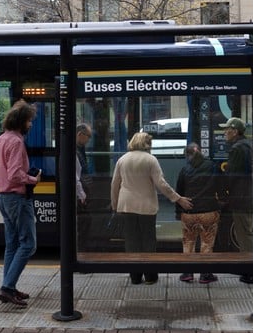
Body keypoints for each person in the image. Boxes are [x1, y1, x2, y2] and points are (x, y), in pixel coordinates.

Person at [110, 131, 193, 284]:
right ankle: (150, 276)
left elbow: (115, 184)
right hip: (146, 206)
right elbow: (161, 184)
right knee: (148, 241)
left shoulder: (122, 159)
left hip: (126, 205)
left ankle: (135, 277)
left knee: (131, 241)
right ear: (147, 144)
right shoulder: (150, 160)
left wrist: (115, 205)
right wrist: (177, 198)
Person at [0, 99, 41, 308]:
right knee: (28, 244)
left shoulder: (1, 139)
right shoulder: (16, 142)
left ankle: (8, 286)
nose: (30, 125)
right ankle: (7, 287)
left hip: (3, 197)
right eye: (29, 120)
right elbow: (14, 174)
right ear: (22, 121)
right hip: (17, 198)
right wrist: (33, 179)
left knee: (12, 245)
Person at [176, 143, 222, 284]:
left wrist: (178, 213)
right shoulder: (212, 166)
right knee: (207, 243)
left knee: (188, 242)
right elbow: (220, 185)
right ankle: (205, 274)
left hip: (189, 212)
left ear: (187, 155)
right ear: (201, 152)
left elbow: (179, 192)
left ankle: (187, 273)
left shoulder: (185, 169)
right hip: (208, 211)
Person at [219, 117, 253, 284]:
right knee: (247, 232)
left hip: (241, 197)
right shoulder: (247, 145)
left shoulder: (237, 149)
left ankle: (250, 270)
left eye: (226, 129)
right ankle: (249, 266)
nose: (224, 132)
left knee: (244, 234)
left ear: (234, 131)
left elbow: (232, 176)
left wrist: (222, 190)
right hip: (248, 195)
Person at [75, 122, 93, 248]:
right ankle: (81, 247)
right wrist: (82, 194)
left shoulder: (80, 148)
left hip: (83, 189)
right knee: (84, 221)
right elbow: (76, 176)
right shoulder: (74, 151)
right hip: (80, 193)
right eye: (88, 136)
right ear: (80, 134)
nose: (88, 140)